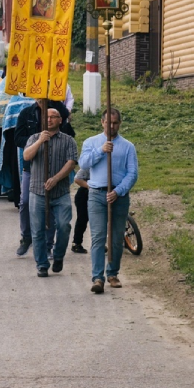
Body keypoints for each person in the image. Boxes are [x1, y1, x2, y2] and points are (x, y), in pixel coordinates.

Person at [79, 109, 139, 294]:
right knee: (98, 237)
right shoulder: (91, 142)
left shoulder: (128, 146)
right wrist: (101, 150)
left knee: (116, 237)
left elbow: (132, 173)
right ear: (102, 122)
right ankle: (98, 277)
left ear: (120, 123)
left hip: (118, 196)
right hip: (97, 194)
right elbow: (83, 164)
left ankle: (112, 273)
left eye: (115, 123)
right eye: (108, 122)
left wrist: (118, 191)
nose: (111, 126)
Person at [23, 108, 78, 278]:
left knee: (63, 225)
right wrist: (40, 141)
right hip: (37, 191)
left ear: (60, 120)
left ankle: (59, 255)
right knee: (38, 229)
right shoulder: (34, 138)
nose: (49, 120)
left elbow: (72, 162)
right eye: (46, 117)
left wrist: (56, 178)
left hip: (60, 192)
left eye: (53, 117)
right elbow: (26, 156)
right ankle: (42, 264)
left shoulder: (68, 140)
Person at [71, 168, 90, 254]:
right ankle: (76, 243)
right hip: (83, 195)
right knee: (82, 219)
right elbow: (77, 179)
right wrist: (90, 186)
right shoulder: (89, 164)